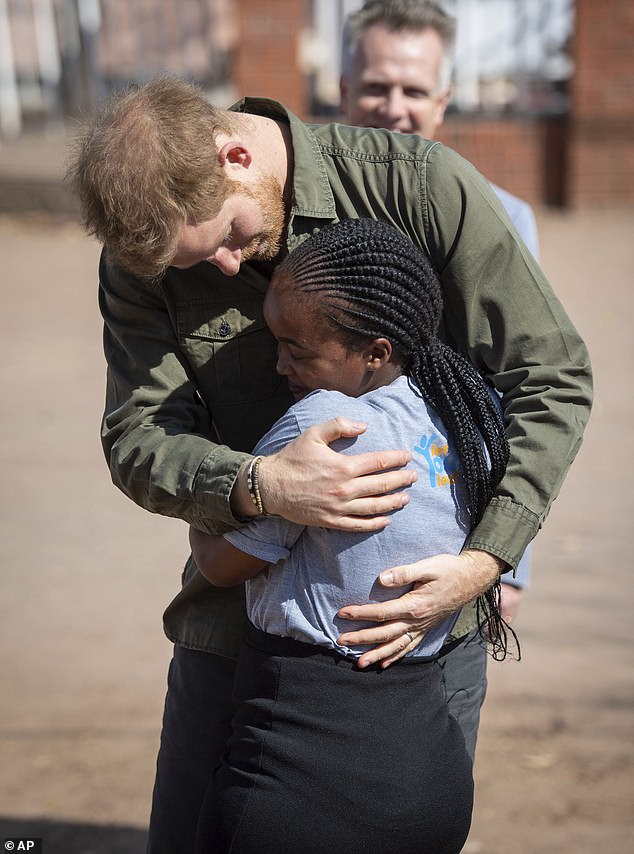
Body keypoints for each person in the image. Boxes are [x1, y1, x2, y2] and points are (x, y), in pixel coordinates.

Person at [65, 76, 592, 853]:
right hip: (235, 633)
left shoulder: (414, 187)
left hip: (416, 633)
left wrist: (485, 562)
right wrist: (262, 485)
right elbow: (138, 435)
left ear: (236, 155)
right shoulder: (146, 256)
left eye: (228, 236)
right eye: (195, 257)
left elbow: (551, 376)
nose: (217, 266)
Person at [191, 217, 510, 853]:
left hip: (302, 773)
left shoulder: (325, 425)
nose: (279, 364)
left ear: (376, 353)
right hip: (432, 770)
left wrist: (223, 497)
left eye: (298, 350)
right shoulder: (465, 415)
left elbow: (221, 566)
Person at [340, 0, 538, 625]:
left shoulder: (503, 220)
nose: (393, 106)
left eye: (413, 89)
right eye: (376, 86)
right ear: (344, 90)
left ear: (444, 99)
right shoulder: (307, 211)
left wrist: (506, 559)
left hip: (448, 526)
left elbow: (523, 386)